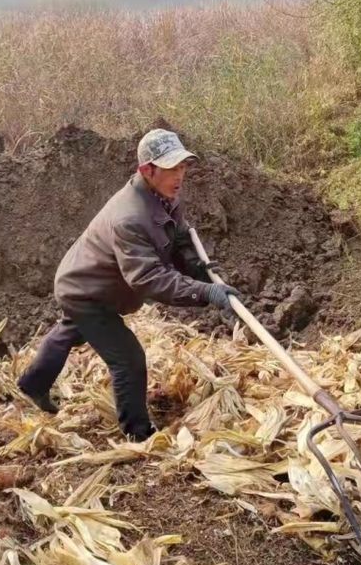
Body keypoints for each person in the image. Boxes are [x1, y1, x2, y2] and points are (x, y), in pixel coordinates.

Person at [16, 128, 236, 440]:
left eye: (183, 166)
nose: (180, 175)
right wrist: (206, 292)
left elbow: (179, 236)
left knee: (70, 331)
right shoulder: (129, 217)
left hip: (96, 280)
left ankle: (32, 384)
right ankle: (138, 432)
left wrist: (197, 268)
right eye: (172, 167)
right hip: (85, 292)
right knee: (128, 358)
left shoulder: (164, 195)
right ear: (147, 170)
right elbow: (149, 278)